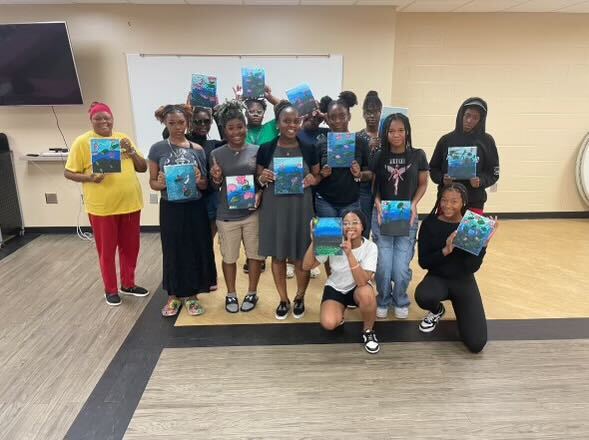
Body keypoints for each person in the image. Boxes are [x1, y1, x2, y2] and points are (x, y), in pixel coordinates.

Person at [64, 102, 149, 306]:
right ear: (91, 120)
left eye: (106, 117)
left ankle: (128, 284)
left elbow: (142, 168)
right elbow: (68, 172)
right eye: (98, 118)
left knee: (131, 248)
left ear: (112, 118)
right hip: (103, 208)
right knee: (107, 251)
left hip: (130, 204)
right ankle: (110, 289)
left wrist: (132, 151)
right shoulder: (83, 142)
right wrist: (90, 178)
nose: (103, 121)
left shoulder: (122, 139)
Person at [148, 104, 217, 317]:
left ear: (187, 122)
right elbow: (153, 183)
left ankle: (192, 296)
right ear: (165, 124)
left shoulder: (197, 149)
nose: (177, 127)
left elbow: (205, 184)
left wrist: (199, 180)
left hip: (195, 206)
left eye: (181, 123)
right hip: (171, 207)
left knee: (195, 249)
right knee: (173, 249)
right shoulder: (157, 148)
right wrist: (161, 183)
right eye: (172, 123)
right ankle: (174, 295)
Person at [257, 100, 321, 320]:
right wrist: (262, 177)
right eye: (286, 121)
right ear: (278, 123)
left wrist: (314, 178)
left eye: (296, 121)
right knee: (277, 256)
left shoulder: (309, 148)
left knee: (302, 256)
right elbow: (259, 178)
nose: (291, 125)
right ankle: (283, 299)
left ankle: (300, 297)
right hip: (275, 209)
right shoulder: (266, 149)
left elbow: (318, 175)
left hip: (301, 208)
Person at [414, 183, 495, 353]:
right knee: (423, 296)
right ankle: (437, 311)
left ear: (463, 202)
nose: (447, 205)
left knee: (476, 343)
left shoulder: (471, 225)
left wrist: (482, 246)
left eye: (454, 201)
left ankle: (464, 313)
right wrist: (446, 250)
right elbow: (424, 262)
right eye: (444, 200)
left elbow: (471, 267)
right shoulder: (430, 224)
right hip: (438, 277)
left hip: (463, 281)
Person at [372, 113, 429, 319]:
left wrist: (414, 204)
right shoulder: (380, 156)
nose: (396, 135)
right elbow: (375, 186)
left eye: (400, 130)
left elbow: (423, 184)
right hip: (382, 215)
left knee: (400, 267)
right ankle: (383, 299)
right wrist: (377, 204)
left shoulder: (418, 155)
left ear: (407, 132)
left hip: (407, 215)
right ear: (385, 133)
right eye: (391, 131)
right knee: (384, 265)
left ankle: (400, 299)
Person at [209, 100, 264, 313]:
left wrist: (260, 193)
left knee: (254, 256)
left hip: (252, 214)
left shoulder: (257, 151)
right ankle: (231, 294)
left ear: (245, 126)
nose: (236, 132)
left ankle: (252, 292)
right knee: (229, 257)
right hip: (226, 215)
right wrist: (215, 178)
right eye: (230, 128)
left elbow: (262, 181)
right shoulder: (217, 153)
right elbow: (214, 186)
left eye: (239, 127)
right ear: (224, 130)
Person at [302, 209, 380, 354]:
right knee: (329, 323)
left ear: (363, 226)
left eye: (355, 222)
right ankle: (339, 312)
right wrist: (314, 242)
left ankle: (368, 331)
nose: (350, 226)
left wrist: (349, 253)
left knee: (367, 293)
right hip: (336, 288)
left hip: (357, 288)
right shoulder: (333, 241)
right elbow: (306, 266)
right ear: (340, 227)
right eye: (345, 223)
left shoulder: (370, 247)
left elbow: (362, 281)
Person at [429, 97, 500, 215]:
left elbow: (493, 173)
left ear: (481, 120)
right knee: (446, 233)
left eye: (475, 118)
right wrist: (442, 178)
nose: (469, 120)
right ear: (461, 115)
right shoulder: (446, 140)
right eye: (467, 115)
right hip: (447, 201)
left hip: (474, 200)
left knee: (470, 234)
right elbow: (433, 169)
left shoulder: (487, 141)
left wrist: (481, 181)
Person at [315, 91, 372, 220]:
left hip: (351, 202)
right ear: (327, 118)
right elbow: (314, 174)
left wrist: (359, 174)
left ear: (349, 116)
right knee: (329, 240)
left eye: (342, 116)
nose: (338, 121)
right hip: (325, 201)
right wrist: (322, 174)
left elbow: (370, 173)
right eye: (333, 117)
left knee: (350, 239)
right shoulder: (321, 143)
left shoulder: (360, 142)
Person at [356, 91, 383, 237]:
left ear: (381, 112)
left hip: (384, 189)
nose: (372, 116)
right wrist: (369, 148)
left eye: (375, 112)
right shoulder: (358, 137)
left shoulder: (388, 136)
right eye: (368, 112)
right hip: (364, 190)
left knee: (381, 232)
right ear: (363, 114)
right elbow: (356, 166)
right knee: (363, 227)